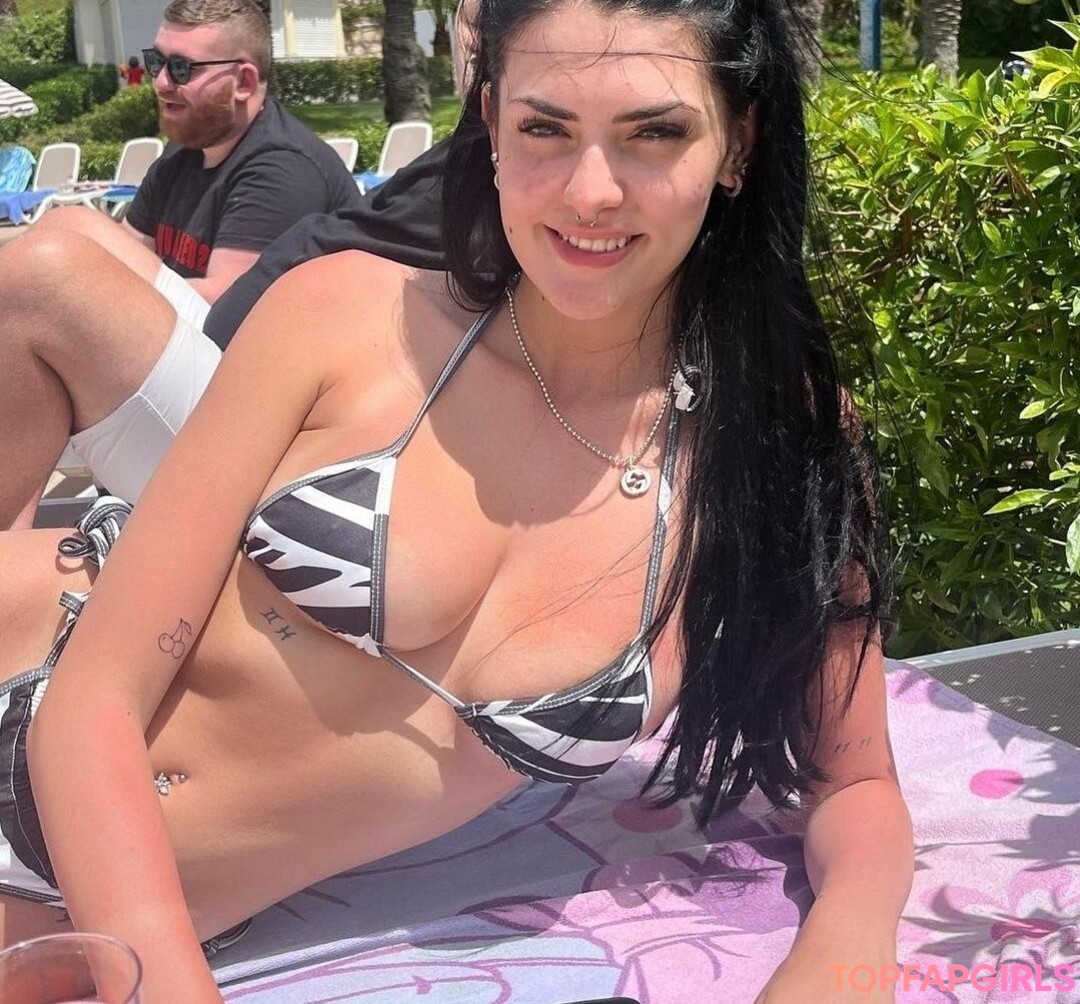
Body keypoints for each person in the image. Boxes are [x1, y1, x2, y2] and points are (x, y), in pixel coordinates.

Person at [0, 0, 913, 1001]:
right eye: (544, 128)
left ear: (736, 144)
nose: (591, 191)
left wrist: (845, 956)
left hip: (99, 920)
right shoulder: (346, 315)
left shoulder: (779, 444)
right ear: (490, 124)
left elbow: (857, 780)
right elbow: (91, 700)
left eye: (654, 133)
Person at [0, 0, 362, 529]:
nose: (160, 82)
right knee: (67, 230)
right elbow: (114, 259)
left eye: (182, 68)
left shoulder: (283, 169)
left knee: (45, 278)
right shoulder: (183, 156)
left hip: (258, 421)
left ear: (244, 81)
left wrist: (70, 302)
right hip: (195, 387)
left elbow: (227, 313)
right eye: (156, 61)